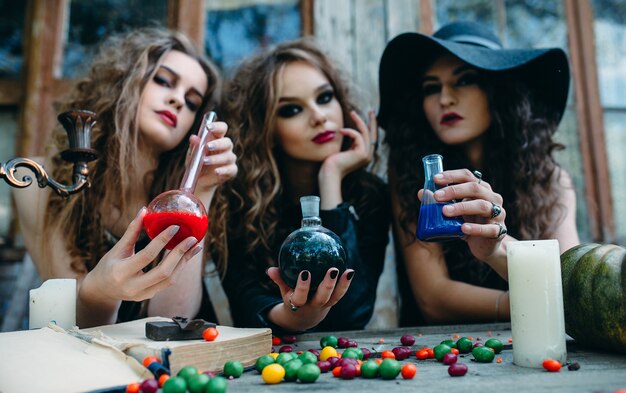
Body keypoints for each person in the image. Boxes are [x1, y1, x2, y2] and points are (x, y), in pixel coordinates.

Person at [13, 28, 237, 328]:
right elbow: (70, 324)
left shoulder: (177, 198)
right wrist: (101, 293)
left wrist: (202, 189)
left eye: (193, 102)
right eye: (163, 81)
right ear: (124, 83)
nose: (178, 101)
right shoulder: (41, 181)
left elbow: (170, 320)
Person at [377, 21, 580, 326]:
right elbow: (433, 298)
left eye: (464, 80)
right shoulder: (412, 174)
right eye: (431, 88)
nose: (444, 98)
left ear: (498, 91)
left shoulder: (549, 177)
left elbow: (569, 281)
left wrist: (496, 247)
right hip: (436, 353)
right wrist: (528, 300)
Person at [219, 38, 391, 333]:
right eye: (291, 110)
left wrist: (331, 179)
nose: (319, 117)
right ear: (267, 129)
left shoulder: (369, 194)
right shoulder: (239, 199)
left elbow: (353, 315)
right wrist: (292, 317)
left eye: (324, 98)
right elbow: (246, 304)